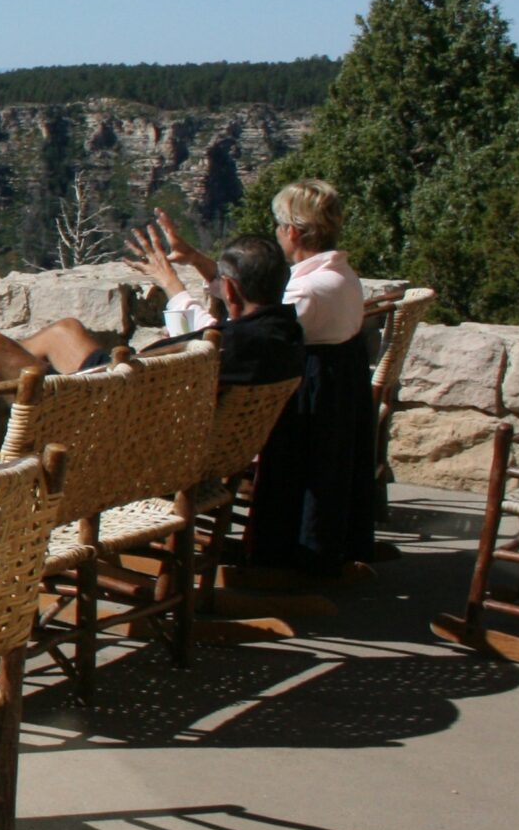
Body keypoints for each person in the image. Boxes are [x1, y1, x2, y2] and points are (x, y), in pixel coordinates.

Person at [144, 179, 373, 576]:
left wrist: (173, 288)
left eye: (278, 223)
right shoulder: (339, 275)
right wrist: (198, 259)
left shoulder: (306, 292)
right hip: (331, 399)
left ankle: (288, 560)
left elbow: (235, 334)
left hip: (296, 416)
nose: (277, 231)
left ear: (294, 232)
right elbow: (251, 299)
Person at [0, 232, 303, 409]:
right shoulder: (282, 331)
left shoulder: (228, 343)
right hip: (138, 393)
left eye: (218, 284)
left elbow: (172, 363)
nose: (214, 292)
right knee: (65, 330)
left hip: (111, 413)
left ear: (235, 291)